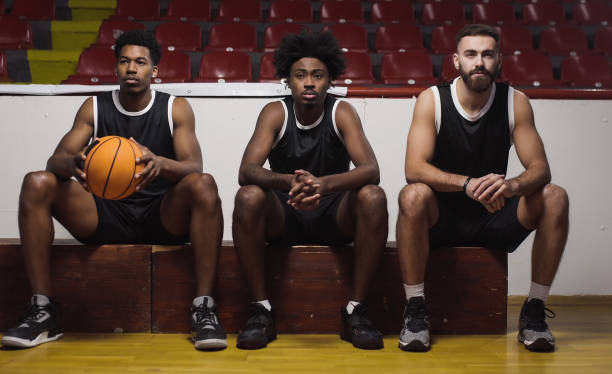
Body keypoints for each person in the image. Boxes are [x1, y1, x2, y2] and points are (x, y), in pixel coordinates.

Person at [0, 30, 226, 351]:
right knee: (37, 181)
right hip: (103, 214)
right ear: (115, 68)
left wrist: (160, 163)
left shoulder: (175, 108)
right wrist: (73, 162)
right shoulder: (94, 106)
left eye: (140, 62)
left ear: (154, 70)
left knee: (204, 186)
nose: (132, 68)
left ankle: (203, 307)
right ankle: (43, 310)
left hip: (160, 214)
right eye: (124, 61)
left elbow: (194, 166)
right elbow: (56, 160)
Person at [396, 24, 569, 352]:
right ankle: (415, 309)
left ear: (498, 60)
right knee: (413, 195)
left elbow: (540, 169)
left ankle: (533, 311)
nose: (480, 62)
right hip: (442, 219)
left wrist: (511, 186)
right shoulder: (431, 100)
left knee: (555, 197)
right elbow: (413, 169)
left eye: (488, 54)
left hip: (494, 216)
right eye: (471, 54)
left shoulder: (514, 102)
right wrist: (467, 184)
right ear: (456, 61)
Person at [232, 32, 388, 350]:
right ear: (287, 81)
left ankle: (355, 311)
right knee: (247, 196)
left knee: (374, 196)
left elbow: (371, 169)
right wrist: (289, 182)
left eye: (317, 75)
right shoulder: (275, 112)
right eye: (300, 75)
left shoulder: (341, 112)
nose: (309, 83)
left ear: (329, 80)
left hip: (333, 216)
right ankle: (261, 310)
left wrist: (322, 184)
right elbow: (246, 170)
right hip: (285, 213)